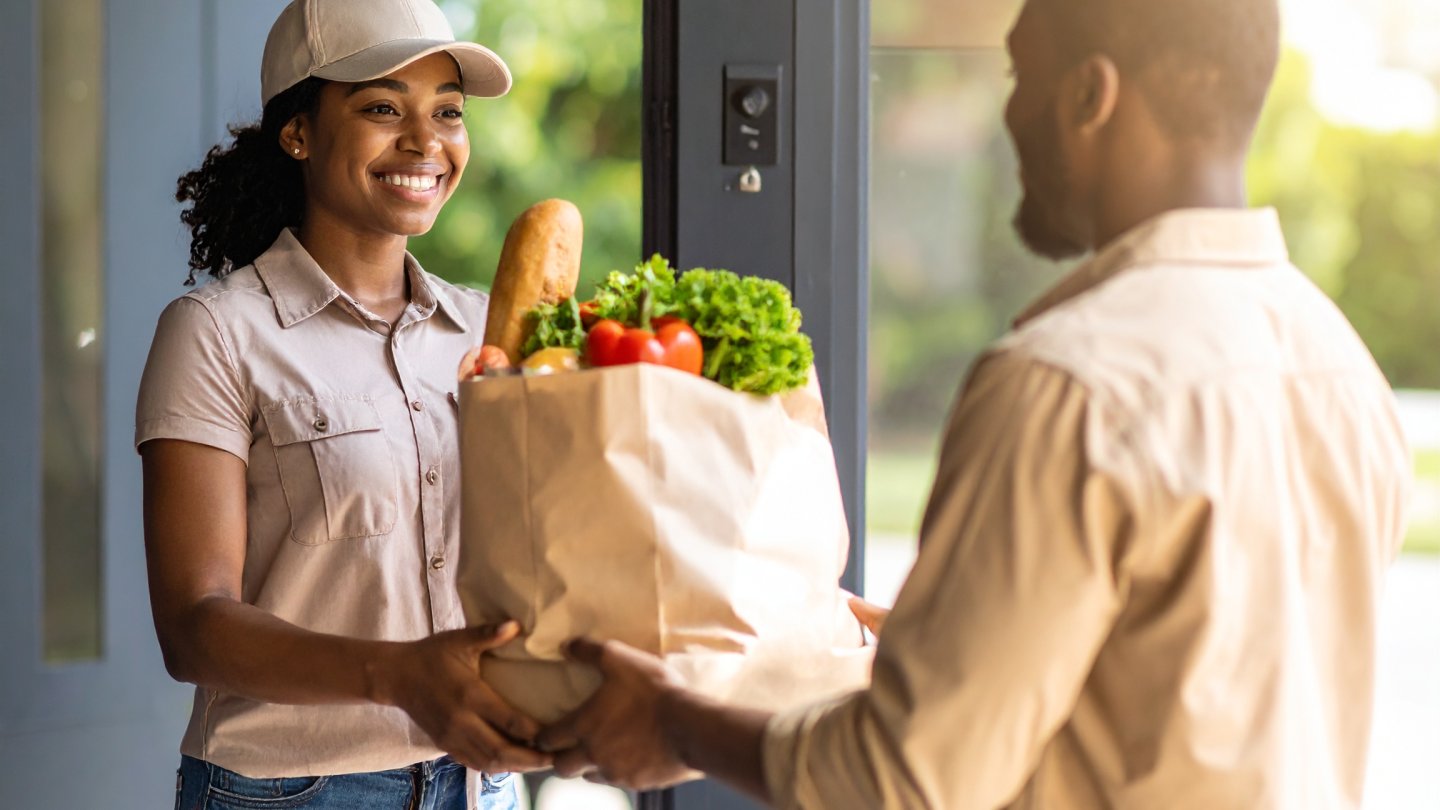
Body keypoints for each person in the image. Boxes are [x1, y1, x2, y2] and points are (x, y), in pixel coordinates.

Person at [537, 0, 1414, 807]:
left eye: (1019, 77)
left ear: (1088, 95)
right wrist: (940, 635)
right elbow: (1198, 683)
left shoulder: (1066, 383)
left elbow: (903, 780)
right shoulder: (1341, 365)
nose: (1009, 116)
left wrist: (670, 721)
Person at [136, 0, 550, 806]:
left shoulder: (489, 332)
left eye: (449, 113)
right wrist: (401, 676)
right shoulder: (216, 333)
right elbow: (192, 626)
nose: (426, 142)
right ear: (298, 132)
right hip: (291, 791)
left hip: (480, 782)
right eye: (383, 108)